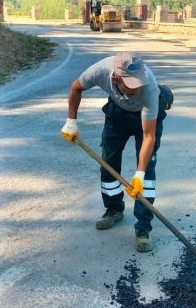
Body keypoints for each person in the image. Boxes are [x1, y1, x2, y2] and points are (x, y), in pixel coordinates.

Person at [61, 52, 172, 252]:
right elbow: (75, 87)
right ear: (115, 79)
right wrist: (71, 122)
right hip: (117, 113)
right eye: (130, 86)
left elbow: (148, 136)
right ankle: (113, 209)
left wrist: (138, 173)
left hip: (145, 119)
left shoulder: (148, 89)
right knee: (108, 165)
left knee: (146, 175)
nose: (136, 88)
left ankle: (143, 228)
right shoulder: (101, 71)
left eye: (138, 83)